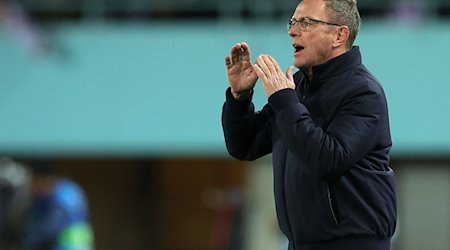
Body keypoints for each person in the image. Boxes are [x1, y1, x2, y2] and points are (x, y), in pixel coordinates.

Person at [221, 0, 397, 249]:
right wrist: (239, 99)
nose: (293, 31)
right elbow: (245, 145)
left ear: (339, 34)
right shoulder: (298, 87)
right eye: (293, 22)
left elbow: (328, 160)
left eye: (306, 22)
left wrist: (283, 100)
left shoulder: (363, 92)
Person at [21, 160, 94, 250]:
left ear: (43, 179)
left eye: (34, 181)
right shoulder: (69, 189)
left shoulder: (59, 195)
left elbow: (48, 230)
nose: (32, 186)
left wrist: (28, 239)